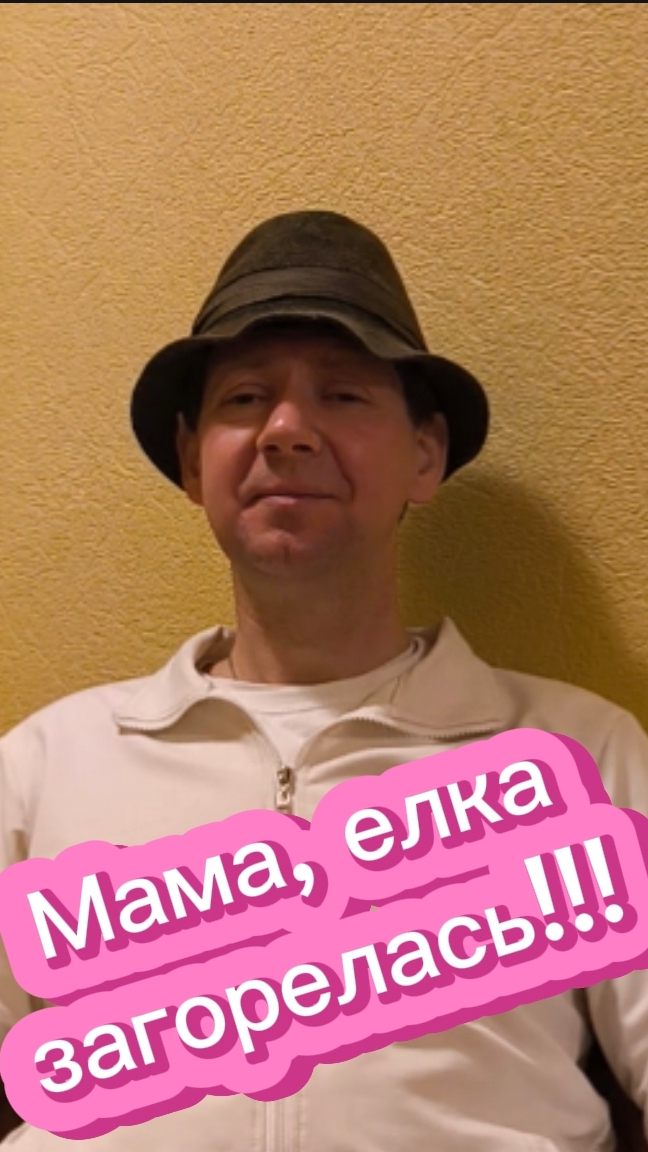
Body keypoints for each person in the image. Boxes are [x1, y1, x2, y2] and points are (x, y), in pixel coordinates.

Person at [1, 210, 648, 1151]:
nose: (287, 431)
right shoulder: (42, 767)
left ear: (425, 455)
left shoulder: (582, 757)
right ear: (191, 461)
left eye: (342, 395)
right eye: (245, 398)